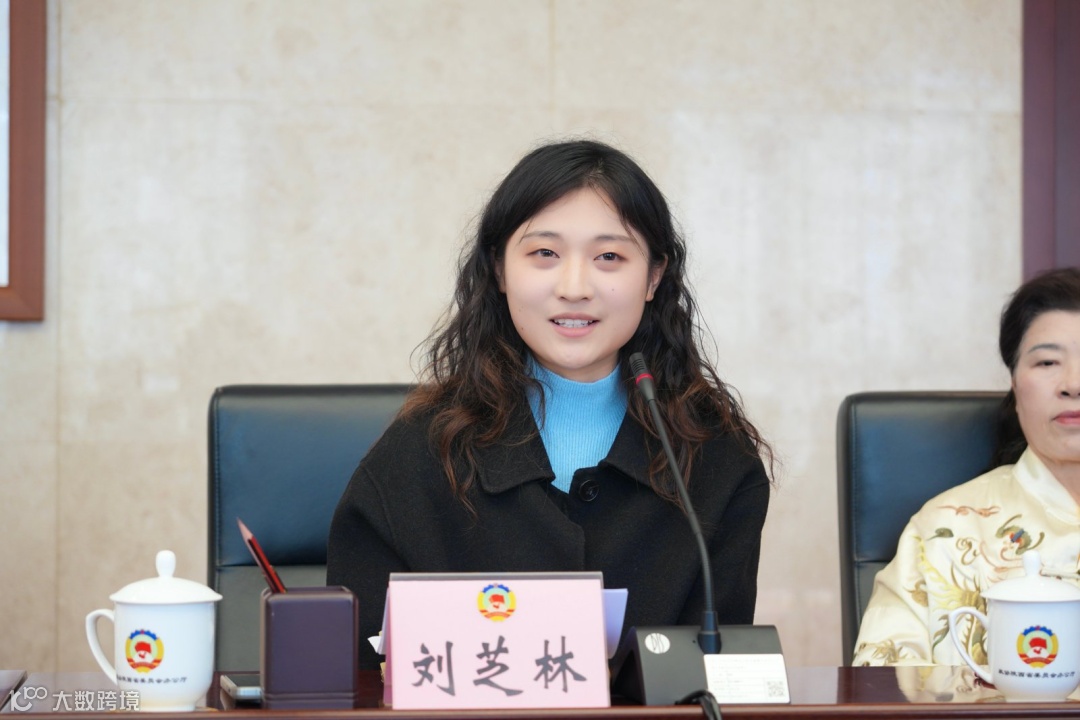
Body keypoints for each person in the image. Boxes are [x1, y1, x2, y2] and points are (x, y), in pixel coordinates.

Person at [327, 139, 773, 669]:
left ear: (654, 277)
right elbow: (353, 677)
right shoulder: (418, 453)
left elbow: (719, 675)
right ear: (499, 269)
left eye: (609, 257)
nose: (574, 287)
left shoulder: (716, 458)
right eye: (544, 254)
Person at [853, 267, 1080, 667]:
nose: (1073, 384)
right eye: (1047, 362)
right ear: (1014, 383)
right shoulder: (945, 530)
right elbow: (879, 683)